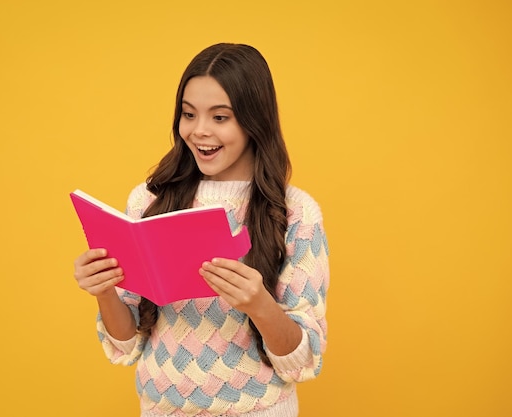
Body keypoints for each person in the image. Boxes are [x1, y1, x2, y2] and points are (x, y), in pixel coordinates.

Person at [73, 43, 330, 417]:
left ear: (253, 120)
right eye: (188, 114)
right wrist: (104, 290)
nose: (199, 131)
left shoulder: (296, 213)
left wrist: (259, 304)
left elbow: (302, 359)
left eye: (220, 117)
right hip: (161, 409)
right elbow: (128, 343)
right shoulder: (148, 202)